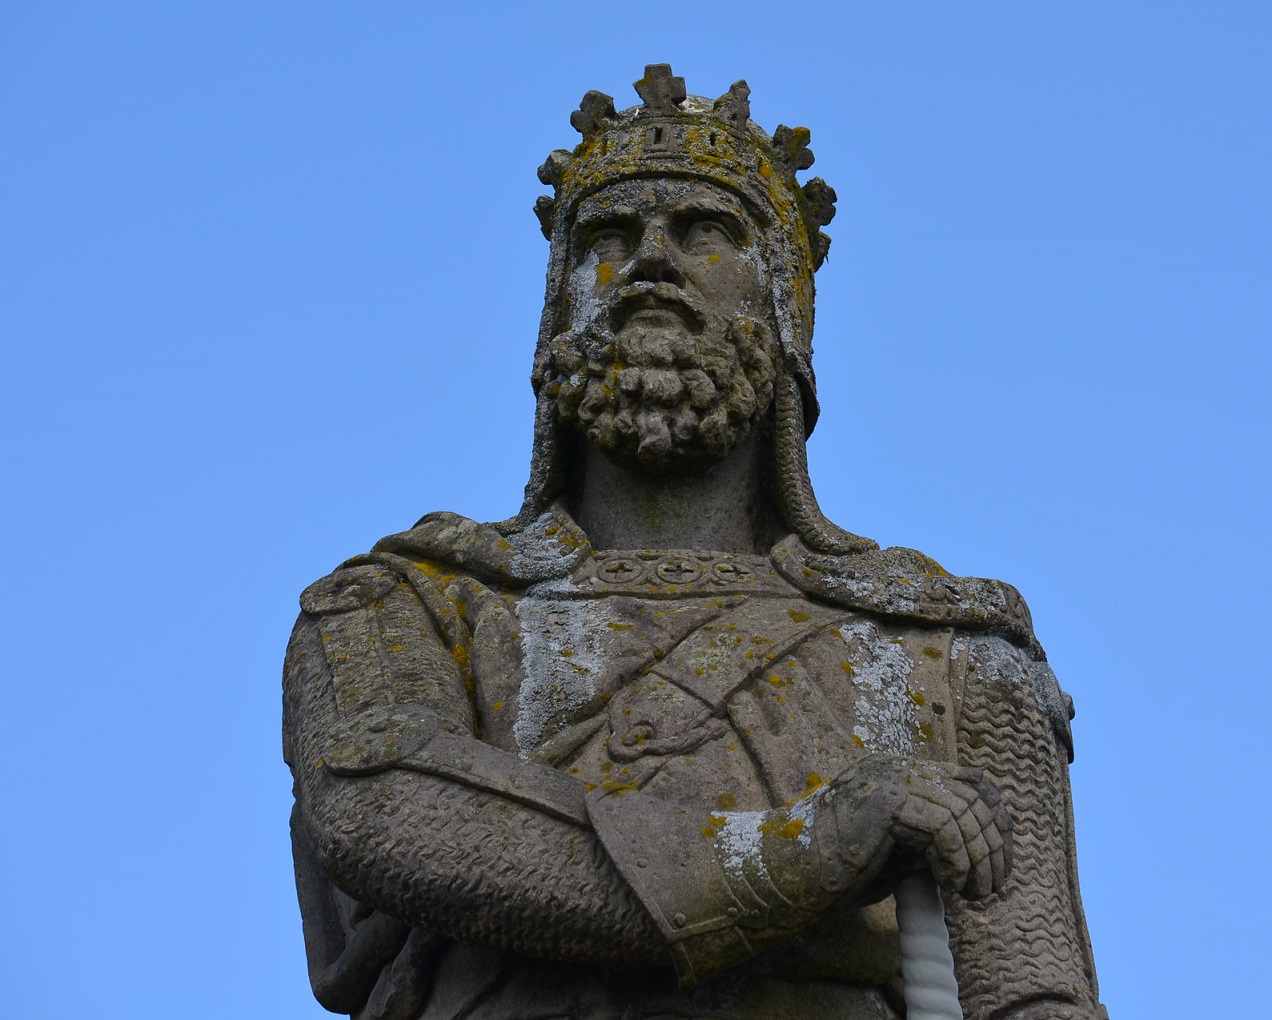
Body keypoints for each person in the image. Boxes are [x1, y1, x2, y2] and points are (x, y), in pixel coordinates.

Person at [283, 65, 1106, 1020]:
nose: (651, 263)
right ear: (555, 318)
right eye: (609, 236)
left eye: (709, 233)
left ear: (785, 315)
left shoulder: (955, 651)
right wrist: (809, 847)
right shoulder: (407, 603)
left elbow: (1033, 993)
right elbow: (392, 815)